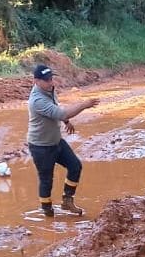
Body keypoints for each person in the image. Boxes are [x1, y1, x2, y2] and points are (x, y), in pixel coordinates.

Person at [27, 64, 99, 216]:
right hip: (41, 146)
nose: (51, 82)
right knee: (46, 180)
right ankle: (47, 212)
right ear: (36, 81)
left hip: (55, 141)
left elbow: (57, 108)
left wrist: (66, 122)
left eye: (51, 79)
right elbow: (61, 113)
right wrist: (84, 105)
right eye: (47, 80)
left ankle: (67, 201)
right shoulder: (37, 101)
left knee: (75, 166)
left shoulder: (49, 90)